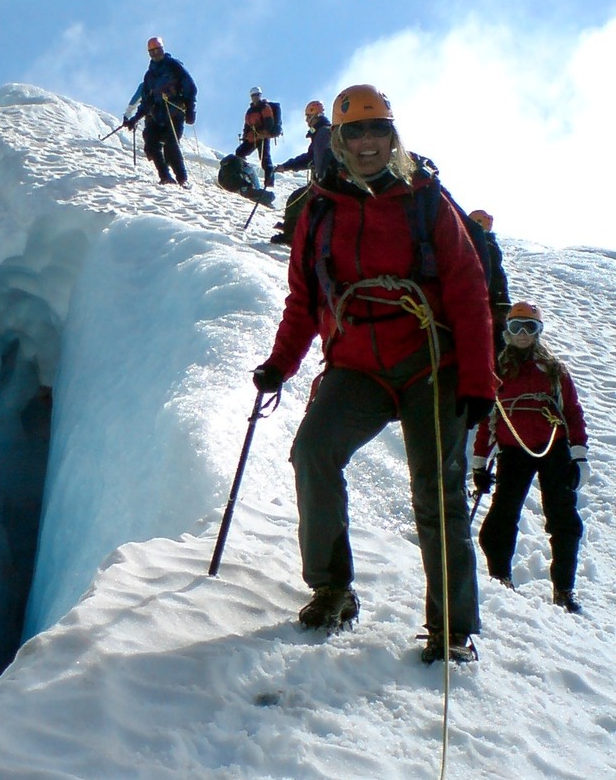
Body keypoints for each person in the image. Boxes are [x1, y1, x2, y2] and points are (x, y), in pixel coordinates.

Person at [251, 83, 498, 664]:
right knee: (313, 451)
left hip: (431, 364)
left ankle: (451, 628)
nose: (366, 142)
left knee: (437, 489)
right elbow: (304, 301)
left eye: (376, 130)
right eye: (354, 132)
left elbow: (468, 292)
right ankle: (333, 588)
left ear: (394, 137)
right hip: (358, 365)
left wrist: (480, 383)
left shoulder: (426, 200)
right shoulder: (316, 211)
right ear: (336, 140)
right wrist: (279, 365)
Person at [471, 301, 589, 612]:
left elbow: (572, 412)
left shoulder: (554, 371)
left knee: (563, 519)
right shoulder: (497, 371)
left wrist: (579, 455)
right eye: (516, 328)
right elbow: (490, 420)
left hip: (554, 448)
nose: (523, 334)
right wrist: (480, 463)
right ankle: (500, 579)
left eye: (530, 328)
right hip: (514, 450)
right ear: (507, 332)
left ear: (538, 332)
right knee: (500, 518)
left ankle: (564, 590)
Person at [123, 37, 197, 186]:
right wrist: (135, 118)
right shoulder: (149, 75)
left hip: (175, 111)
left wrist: (190, 108)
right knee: (151, 143)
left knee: (171, 144)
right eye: (152, 51)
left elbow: (190, 86)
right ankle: (165, 177)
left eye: (158, 50)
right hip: (158, 115)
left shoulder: (173, 65)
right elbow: (146, 101)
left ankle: (182, 179)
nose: (156, 53)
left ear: (163, 49)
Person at [270, 100, 333, 245]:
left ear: (315, 116)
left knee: (296, 201)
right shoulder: (324, 132)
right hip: (326, 183)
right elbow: (311, 158)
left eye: (308, 117)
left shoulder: (322, 133)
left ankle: (291, 235)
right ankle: (294, 229)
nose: (307, 121)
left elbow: (319, 158)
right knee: (301, 201)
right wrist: (286, 166)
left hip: (323, 185)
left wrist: (321, 178)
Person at [468, 209, 511, 353]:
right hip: (494, 301)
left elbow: (495, 277)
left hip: (489, 302)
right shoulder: (490, 245)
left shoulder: (484, 246)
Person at [235, 87, 279, 187]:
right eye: (253, 95)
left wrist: (263, 132)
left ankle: (269, 183)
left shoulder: (265, 107)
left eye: (257, 95)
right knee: (240, 153)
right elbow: (246, 125)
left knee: (265, 160)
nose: (255, 97)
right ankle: (244, 174)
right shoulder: (250, 110)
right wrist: (246, 135)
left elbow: (269, 122)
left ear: (260, 95)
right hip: (254, 137)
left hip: (262, 137)